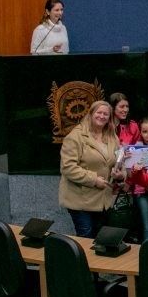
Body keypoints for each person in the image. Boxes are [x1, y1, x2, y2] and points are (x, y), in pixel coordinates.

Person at [58, 100, 124, 238]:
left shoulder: (113, 137)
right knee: (86, 240)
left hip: (103, 201)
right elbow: (68, 167)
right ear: (91, 114)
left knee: (100, 240)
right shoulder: (75, 137)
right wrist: (93, 179)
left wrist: (120, 174)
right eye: (99, 112)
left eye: (106, 114)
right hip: (80, 200)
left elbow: (119, 162)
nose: (102, 116)